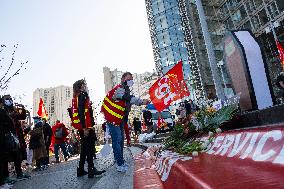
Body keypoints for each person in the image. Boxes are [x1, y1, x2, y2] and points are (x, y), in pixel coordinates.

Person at [101, 72, 149, 172]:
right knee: (117, 140)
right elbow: (128, 98)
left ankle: (119, 159)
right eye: (128, 79)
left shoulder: (125, 90)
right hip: (113, 119)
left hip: (120, 119)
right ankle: (119, 163)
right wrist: (141, 101)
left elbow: (127, 102)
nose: (130, 81)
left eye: (131, 79)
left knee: (120, 140)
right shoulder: (119, 89)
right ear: (123, 79)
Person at [71, 79, 105, 178]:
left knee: (85, 148)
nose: (86, 86)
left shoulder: (76, 97)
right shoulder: (83, 95)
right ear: (81, 86)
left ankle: (81, 169)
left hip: (81, 126)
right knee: (89, 147)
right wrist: (85, 128)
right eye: (85, 84)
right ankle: (91, 169)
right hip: (85, 127)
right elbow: (81, 112)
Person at [2, 95, 30, 180]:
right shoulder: (3, 111)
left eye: (10, 99)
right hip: (6, 137)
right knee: (5, 157)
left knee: (17, 155)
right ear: (3, 101)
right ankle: (6, 177)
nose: (9, 101)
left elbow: (22, 117)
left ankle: (19, 174)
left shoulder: (14, 110)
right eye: (7, 99)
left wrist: (23, 109)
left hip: (17, 137)